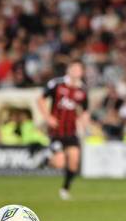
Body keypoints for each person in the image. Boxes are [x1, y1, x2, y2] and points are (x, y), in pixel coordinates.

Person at [37, 60, 90, 200]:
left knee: (74, 161)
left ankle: (65, 190)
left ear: (82, 72)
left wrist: (85, 124)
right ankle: (45, 158)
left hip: (71, 131)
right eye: (74, 68)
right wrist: (48, 117)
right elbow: (40, 99)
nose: (76, 71)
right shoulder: (57, 83)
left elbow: (84, 111)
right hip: (56, 131)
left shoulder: (82, 90)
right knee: (59, 162)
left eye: (79, 69)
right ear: (69, 69)